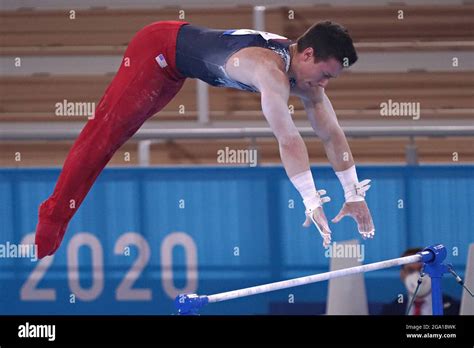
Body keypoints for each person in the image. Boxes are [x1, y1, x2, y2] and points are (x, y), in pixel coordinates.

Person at [35, 20, 375, 258]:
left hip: (176, 69)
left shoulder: (307, 79)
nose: (325, 84)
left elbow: (331, 134)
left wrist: (353, 192)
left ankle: (55, 217)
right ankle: (51, 219)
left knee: (116, 137)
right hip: (156, 48)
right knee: (105, 135)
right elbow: (288, 138)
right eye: (326, 75)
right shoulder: (269, 71)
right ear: (307, 55)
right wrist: (310, 200)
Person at [380, 247, 460, 315]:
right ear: (402, 275)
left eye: (422, 269)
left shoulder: (455, 308)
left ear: (432, 271)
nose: (417, 275)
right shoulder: (391, 310)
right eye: (410, 270)